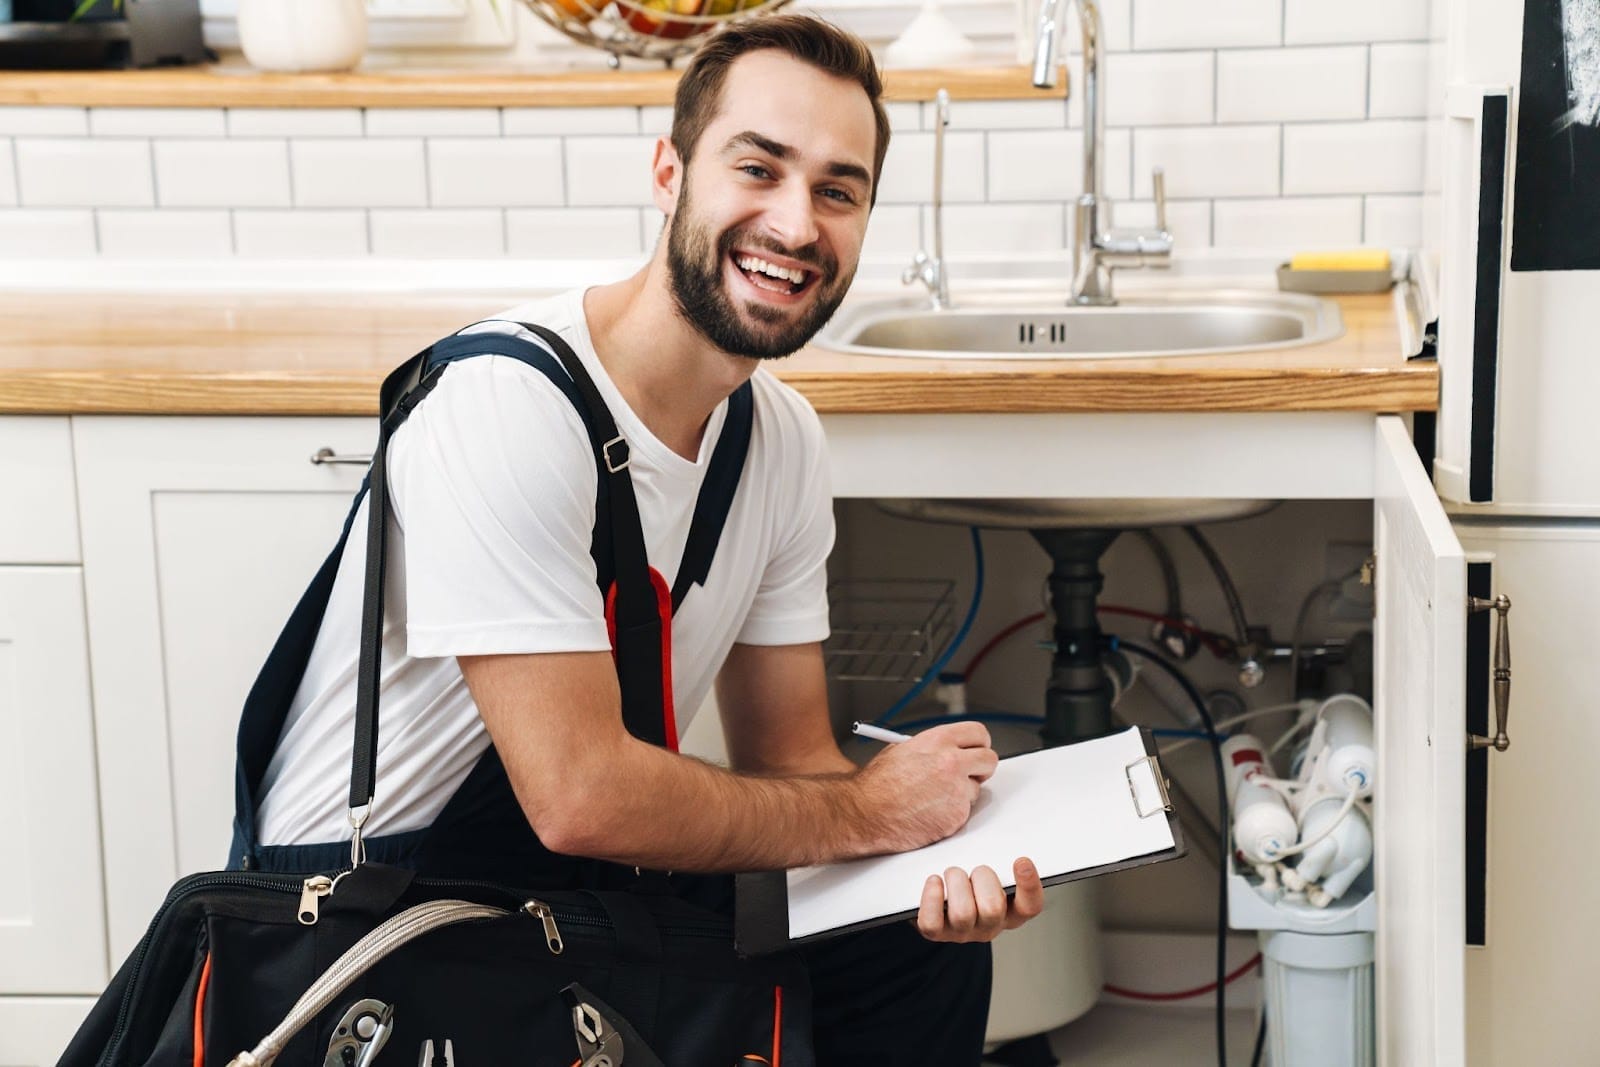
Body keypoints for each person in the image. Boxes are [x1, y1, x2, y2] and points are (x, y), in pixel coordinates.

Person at [233, 14, 1045, 1063]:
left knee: (912, 947)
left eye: (838, 191)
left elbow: (793, 759)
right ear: (669, 172)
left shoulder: (777, 438)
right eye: (758, 168)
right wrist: (872, 815)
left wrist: (931, 859)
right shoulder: (507, 403)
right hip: (370, 922)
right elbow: (579, 795)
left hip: (570, 895)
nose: (796, 224)